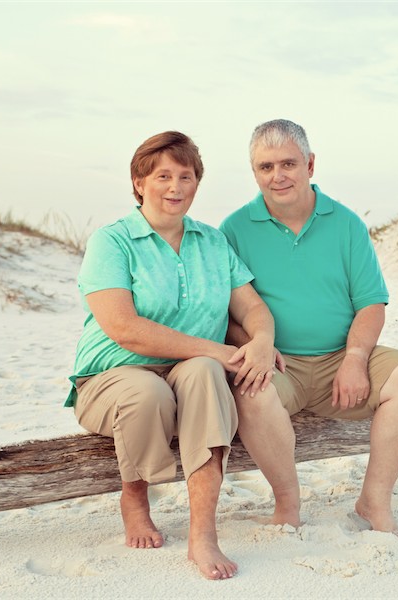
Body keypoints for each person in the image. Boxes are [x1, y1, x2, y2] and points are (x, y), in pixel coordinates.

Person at [66, 131, 277, 580]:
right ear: (139, 182)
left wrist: (260, 342)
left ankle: (203, 533)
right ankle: (134, 495)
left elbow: (252, 307)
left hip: (187, 373)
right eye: (163, 175)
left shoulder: (213, 242)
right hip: (112, 376)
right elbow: (126, 328)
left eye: (186, 175)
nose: (175, 186)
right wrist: (219, 349)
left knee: (204, 373)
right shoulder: (113, 241)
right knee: (149, 391)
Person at [219, 119, 398, 537]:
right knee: (250, 390)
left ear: (310, 165)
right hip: (280, 365)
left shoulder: (346, 223)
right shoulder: (233, 230)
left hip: (341, 359)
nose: (277, 176)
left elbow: (371, 304)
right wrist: (254, 345)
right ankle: (288, 504)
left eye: (288, 164)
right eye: (265, 167)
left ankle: (375, 500)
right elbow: (229, 312)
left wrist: (355, 359)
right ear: (254, 172)